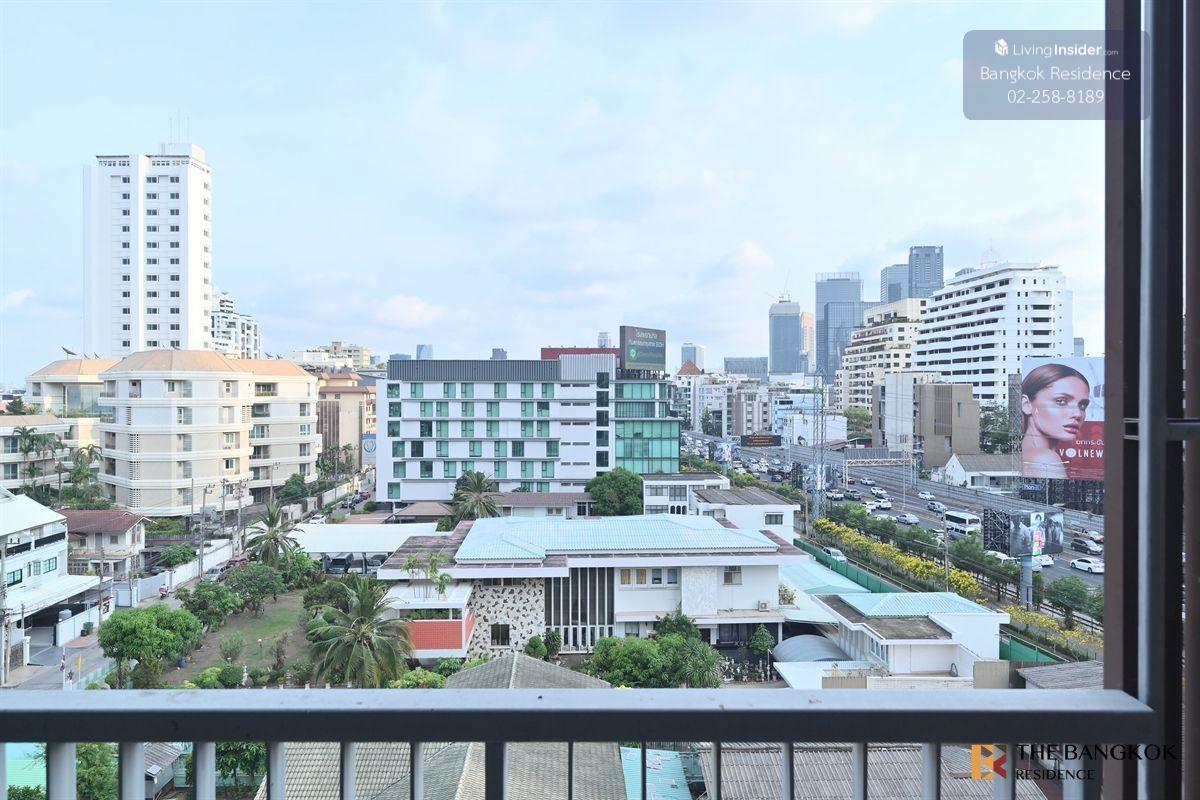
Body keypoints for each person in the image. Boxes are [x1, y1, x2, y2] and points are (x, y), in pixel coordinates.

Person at [1020, 363, 1091, 479]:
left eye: (1083, 405)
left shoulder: (1022, 454)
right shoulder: (1045, 460)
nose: (1078, 414)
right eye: (1061, 401)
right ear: (1026, 404)